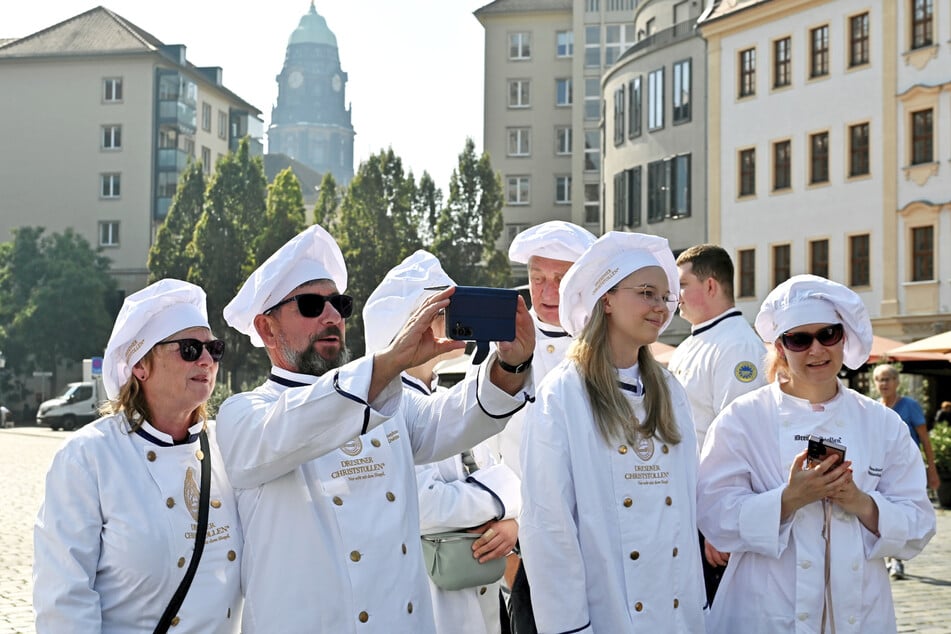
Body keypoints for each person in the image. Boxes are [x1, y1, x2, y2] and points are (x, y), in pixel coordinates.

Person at [215, 224, 535, 633]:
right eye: (312, 306)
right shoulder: (245, 414)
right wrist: (389, 362)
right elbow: (298, 424)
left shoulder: (388, 401)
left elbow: (457, 415)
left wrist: (511, 364)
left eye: (340, 305)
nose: (332, 317)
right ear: (266, 328)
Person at [697, 274, 937, 633]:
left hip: (861, 613)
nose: (817, 350)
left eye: (828, 334)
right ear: (780, 348)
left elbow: (919, 523)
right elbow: (714, 514)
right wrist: (788, 499)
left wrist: (860, 502)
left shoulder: (881, 423)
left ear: (843, 338)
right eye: (799, 339)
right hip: (764, 613)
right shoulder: (741, 419)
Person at [519, 232, 705, 633]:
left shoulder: (670, 391)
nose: (660, 307)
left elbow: (686, 515)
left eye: (664, 296)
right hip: (604, 617)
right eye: (646, 293)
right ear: (606, 298)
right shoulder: (563, 395)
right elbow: (549, 529)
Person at [33, 279, 242, 632]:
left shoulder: (229, 444)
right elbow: (64, 600)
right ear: (140, 366)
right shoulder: (88, 457)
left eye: (214, 349)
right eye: (190, 349)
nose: (206, 360)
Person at [363, 250, 521, 634]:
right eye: (442, 313)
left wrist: (510, 523)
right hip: (430, 602)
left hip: (468, 590)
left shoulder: (431, 396)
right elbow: (426, 504)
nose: (452, 323)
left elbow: (477, 471)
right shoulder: (386, 407)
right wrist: (506, 496)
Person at [494, 220, 595, 600]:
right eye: (538, 278)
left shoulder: (607, 348)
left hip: (592, 538)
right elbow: (487, 447)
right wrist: (511, 527)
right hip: (520, 542)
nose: (547, 292)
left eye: (561, 278)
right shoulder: (501, 345)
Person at [667, 244, 766, 605]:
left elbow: (740, 443)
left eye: (682, 284)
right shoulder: (693, 343)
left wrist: (719, 525)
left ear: (710, 286)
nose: (673, 295)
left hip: (711, 519)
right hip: (686, 509)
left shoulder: (738, 346)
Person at [873, 363, 940, 580]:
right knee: (883, 511)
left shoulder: (909, 406)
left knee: (900, 510)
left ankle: (897, 560)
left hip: (906, 472)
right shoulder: (873, 408)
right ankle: (889, 557)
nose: (883, 384)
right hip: (879, 470)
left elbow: (925, 439)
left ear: (897, 382)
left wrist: (932, 469)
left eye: (887, 379)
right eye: (879, 379)